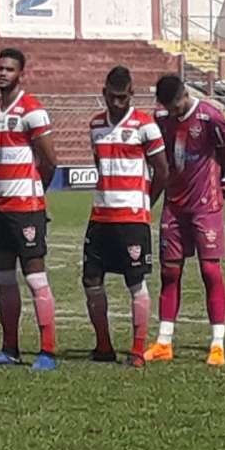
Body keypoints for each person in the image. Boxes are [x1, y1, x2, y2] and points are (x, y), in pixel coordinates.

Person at [147, 72, 225, 365]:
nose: (172, 113)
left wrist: (215, 182)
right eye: (167, 108)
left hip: (205, 205)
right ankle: (164, 341)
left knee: (210, 271)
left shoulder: (211, 117)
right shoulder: (161, 119)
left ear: (184, 95)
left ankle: (217, 344)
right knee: (170, 272)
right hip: (174, 205)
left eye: (174, 107)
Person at [83, 66, 168, 365]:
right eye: (112, 97)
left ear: (132, 94)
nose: (117, 103)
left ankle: (136, 349)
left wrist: (146, 202)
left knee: (135, 281)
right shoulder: (95, 125)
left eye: (123, 97)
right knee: (91, 279)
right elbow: (98, 161)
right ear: (103, 93)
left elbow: (162, 170)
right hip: (100, 216)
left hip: (132, 218)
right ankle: (103, 346)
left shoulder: (146, 126)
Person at [0, 47, 60, 370]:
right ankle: (10, 348)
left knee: (35, 278)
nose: (2, 73)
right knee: (3, 280)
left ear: (20, 74)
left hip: (25, 208)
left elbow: (50, 160)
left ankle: (47, 351)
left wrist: (35, 195)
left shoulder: (33, 111)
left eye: (9, 69)